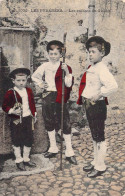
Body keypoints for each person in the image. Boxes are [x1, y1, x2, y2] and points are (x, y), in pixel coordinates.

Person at [77, 36, 118, 178]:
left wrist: (100, 94)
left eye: (93, 51)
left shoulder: (102, 69)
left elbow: (113, 86)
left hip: (97, 106)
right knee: (94, 136)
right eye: (89, 51)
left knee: (99, 136)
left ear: (102, 53)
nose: (90, 54)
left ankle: (101, 166)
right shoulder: (93, 67)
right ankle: (95, 161)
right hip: (89, 105)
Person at [32, 40, 77, 165]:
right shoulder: (45, 66)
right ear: (47, 54)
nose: (53, 56)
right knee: (49, 120)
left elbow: (68, 83)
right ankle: (53, 148)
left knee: (65, 121)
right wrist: (41, 84)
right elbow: (35, 76)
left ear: (60, 54)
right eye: (50, 53)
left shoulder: (64, 66)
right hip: (48, 95)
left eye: (55, 54)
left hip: (60, 95)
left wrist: (66, 72)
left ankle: (69, 151)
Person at [2, 68, 37, 171]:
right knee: (16, 139)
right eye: (18, 80)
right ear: (13, 81)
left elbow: (32, 103)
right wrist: (12, 111)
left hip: (28, 118)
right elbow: (5, 106)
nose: (21, 83)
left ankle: (26, 158)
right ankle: (18, 160)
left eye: (24, 80)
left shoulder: (29, 91)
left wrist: (34, 114)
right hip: (16, 120)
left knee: (29, 138)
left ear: (27, 80)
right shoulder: (10, 93)